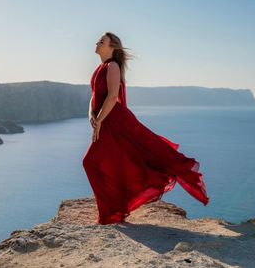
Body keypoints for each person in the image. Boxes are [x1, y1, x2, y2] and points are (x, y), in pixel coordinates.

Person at [82, 32, 209, 225]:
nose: (97, 42)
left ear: (112, 47)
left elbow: (111, 97)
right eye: (98, 40)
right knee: (107, 162)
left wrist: (98, 120)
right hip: (105, 121)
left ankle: (111, 212)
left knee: (92, 162)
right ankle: (112, 210)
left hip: (114, 121)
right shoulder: (99, 68)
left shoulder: (112, 66)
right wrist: (91, 114)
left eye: (102, 41)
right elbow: (94, 95)